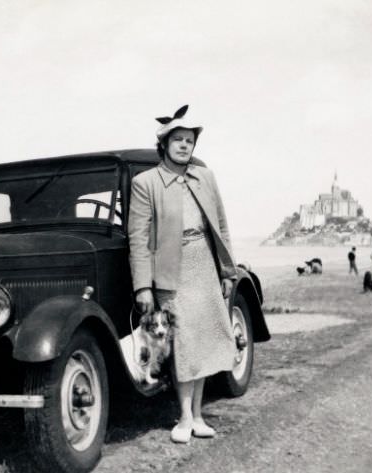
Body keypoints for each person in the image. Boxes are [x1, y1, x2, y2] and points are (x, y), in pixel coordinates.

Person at [128, 105, 238, 444]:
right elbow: (138, 237)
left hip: (204, 263)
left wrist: (226, 269)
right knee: (185, 341)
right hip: (171, 274)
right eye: (177, 140)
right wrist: (143, 286)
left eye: (189, 140)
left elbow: (220, 224)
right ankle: (184, 417)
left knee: (203, 339)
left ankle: (199, 415)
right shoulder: (145, 183)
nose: (184, 146)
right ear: (164, 145)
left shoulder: (205, 177)